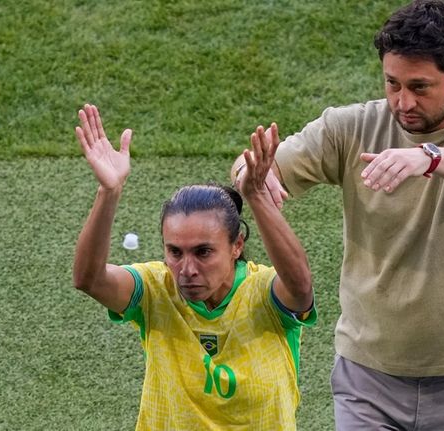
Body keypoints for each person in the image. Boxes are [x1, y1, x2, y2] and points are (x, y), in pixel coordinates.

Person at [231, 0, 444, 429]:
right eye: (393, 83)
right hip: (367, 377)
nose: (402, 101)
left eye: (419, 87)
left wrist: (428, 158)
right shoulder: (350, 127)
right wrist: (254, 176)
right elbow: (253, 165)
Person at [72, 104, 316, 430]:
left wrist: (256, 196)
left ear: (236, 246)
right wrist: (109, 191)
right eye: (175, 252)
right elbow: (89, 279)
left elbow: (300, 289)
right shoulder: (155, 290)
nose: (186, 269)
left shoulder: (264, 293)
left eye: (203, 252)